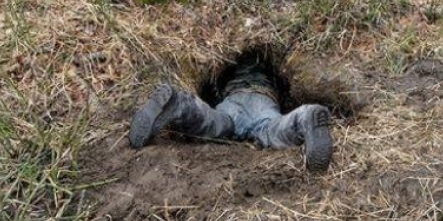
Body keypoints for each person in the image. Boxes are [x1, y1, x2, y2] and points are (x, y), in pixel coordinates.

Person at [129, 60, 333, 172]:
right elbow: (286, 87)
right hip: (264, 99)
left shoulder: (228, 66)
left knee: (214, 123)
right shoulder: (270, 68)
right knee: (272, 129)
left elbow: (212, 85)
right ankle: (305, 116)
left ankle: (180, 104)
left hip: (232, 100)